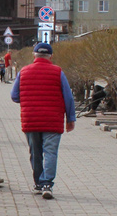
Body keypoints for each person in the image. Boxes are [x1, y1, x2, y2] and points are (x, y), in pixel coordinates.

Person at [10, 41, 75, 199]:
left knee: (35, 152)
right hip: (53, 120)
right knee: (50, 152)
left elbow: (14, 96)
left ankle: (38, 183)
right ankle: (47, 184)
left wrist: (28, 99)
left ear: (34, 55)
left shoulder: (24, 72)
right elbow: (68, 98)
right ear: (51, 56)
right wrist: (70, 118)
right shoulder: (58, 72)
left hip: (31, 119)